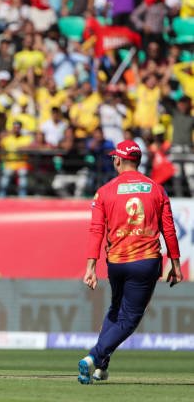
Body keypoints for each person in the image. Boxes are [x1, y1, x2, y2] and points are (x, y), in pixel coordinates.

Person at [77, 139, 182, 385]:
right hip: (145, 261)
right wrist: (174, 262)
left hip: (116, 262)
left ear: (118, 160)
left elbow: (96, 230)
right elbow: (168, 228)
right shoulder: (156, 189)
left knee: (116, 311)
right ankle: (94, 357)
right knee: (131, 317)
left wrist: (91, 265)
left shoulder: (105, 191)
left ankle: (101, 368)